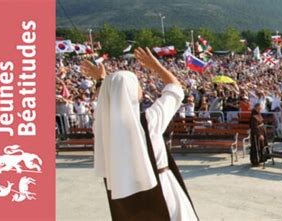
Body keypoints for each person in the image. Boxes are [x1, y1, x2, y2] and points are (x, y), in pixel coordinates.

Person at [82, 47, 198, 221]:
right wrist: (156, 66)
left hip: (125, 197)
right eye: (137, 85)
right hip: (162, 191)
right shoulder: (149, 121)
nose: (141, 89)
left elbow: (109, 99)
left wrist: (101, 81)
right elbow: (175, 89)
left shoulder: (102, 127)